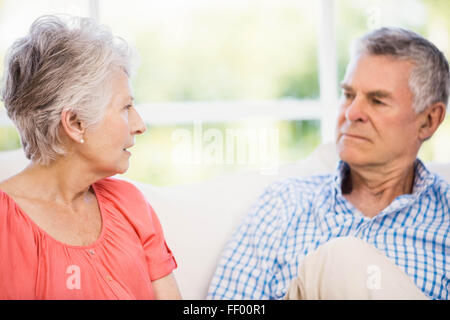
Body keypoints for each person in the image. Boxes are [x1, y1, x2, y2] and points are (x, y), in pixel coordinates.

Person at [207, 27, 450, 300]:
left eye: (377, 100)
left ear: (429, 120)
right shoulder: (282, 205)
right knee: (341, 258)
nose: (352, 112)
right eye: (348, 95)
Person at [0, 15, 181, 299]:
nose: (140, 125)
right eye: (125, 107)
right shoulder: (5, 227)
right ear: (75, 123)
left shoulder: (130, 204)